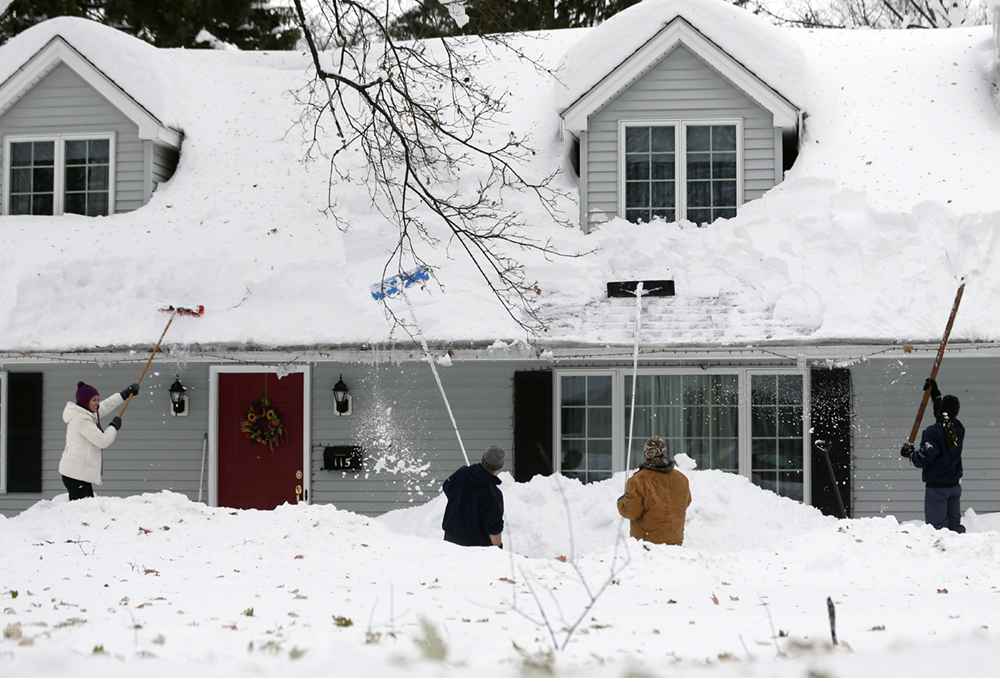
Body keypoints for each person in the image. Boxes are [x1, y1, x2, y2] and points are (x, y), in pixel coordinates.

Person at [901, 378, 966, 533]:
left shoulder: (933, 432)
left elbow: (923, 459)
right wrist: (935, 396)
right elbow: (945, 420)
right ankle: (958, 552)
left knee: (937, 531)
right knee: (954, 528)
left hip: (937, 489)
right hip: (954, 487)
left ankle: (941, 556)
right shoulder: (959, 429)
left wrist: (910, 453)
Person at [59, 380, 139, 500]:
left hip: (77, 472)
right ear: (85, 401)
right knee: (82, 511)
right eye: (94, 400)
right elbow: (102, 441)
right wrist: (113, 427)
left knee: (84, 509)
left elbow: (106, 405)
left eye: (97, 399)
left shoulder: (86, 411)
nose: (97, 403)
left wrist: (124, 394)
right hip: (75, 475)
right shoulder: (82, 420)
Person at [617, 436, 691, 545]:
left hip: (648, 544)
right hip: (675, 542)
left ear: (645, 455)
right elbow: (686, 502)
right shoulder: (681, 478)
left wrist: (621, 502)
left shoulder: (639, 480)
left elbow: (631, 511)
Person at [441, 445, 505, 548]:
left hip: (450, 540)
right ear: (499, 466)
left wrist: (461, 502)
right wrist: (498, 547)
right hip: (475, 549)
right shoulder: (493, 494)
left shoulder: (461, 473)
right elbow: (493, 526)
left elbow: (447, 488)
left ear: (483, 458)